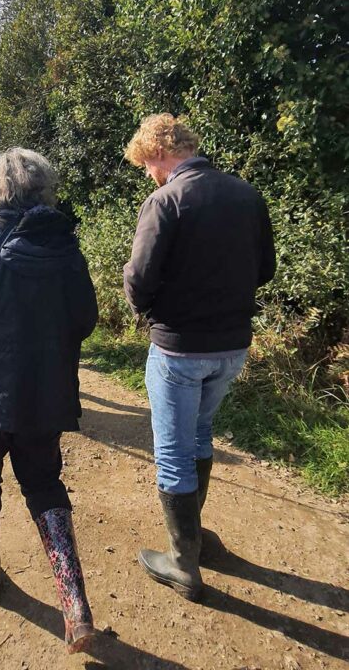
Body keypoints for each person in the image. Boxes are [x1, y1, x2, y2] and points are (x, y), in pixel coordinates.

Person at [0, 148, 98, 654]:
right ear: (40, 188)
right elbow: (85, 320)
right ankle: (74, 602)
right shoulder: (66, 246)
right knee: (45, 484)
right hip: (43, 392)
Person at [123, 114, 276, 602]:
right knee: (201, 433)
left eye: (148, 164)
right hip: (232, 345)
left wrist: (150, 310)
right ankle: (194, 538)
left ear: (159, 154)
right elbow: (266, 268)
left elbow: (139, 280)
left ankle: (183, 561)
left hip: (179, 348)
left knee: (172, 450)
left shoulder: (165, 200)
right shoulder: (247, 195)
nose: (149, 173)